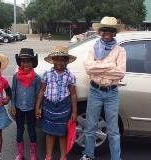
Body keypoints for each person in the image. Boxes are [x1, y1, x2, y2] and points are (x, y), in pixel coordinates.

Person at [81, 16, 126, 160]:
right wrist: (111, 66)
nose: (107, 33)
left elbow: (120, 73)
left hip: (111, 92)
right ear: (100, 32)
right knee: (90, 126)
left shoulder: (120, 51)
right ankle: (88, 154)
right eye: (104, 30)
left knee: (113, 129)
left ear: (115, 33)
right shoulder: (92, 48)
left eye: (111, 30)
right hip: (95, 91)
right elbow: (88, 68)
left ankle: (116, 158)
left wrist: (98, 68)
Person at [35, 45, 77, 160]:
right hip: (48, 107)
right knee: (49, 133)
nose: (59, 62)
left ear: (67, 61)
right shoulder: (47, 74)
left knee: (62, 133)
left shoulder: (70, 76)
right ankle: (49, 155)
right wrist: (37, 107)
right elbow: (42, 91)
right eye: (57, 59)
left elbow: (73, 94)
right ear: (52, 60)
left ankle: (63, 156)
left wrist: (74, 111)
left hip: (64, 107)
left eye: (62, 59)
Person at [10, 48, 41, 160]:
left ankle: (33, 154)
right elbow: (13, 91)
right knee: (20, 130)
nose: (26, 63)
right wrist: (13, 105)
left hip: (31, 108)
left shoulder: (37, 78)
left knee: (32, 130)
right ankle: (20, 153)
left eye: (28, 61)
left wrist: (38, 108)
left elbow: (38, 95)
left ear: (33, 62)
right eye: (23, 61)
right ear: (20, 62)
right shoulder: (16, 76)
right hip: (19, 108)